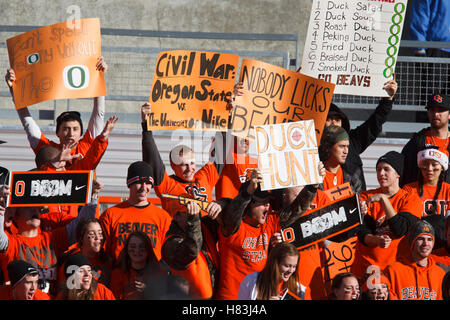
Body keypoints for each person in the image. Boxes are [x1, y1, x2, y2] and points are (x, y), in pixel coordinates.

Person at [214, 168, 319, 300]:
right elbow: (233, 212)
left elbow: (295, 210)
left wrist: (312, 187)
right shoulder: (233, 226)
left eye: (268, 202)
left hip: (259, 296)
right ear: (248, 205)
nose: (267, 206)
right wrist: (248, 192)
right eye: (262, 203)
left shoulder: (270, 221)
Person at [0, 179, 102, 296]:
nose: (35, 210)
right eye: (28, 207)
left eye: (38, 208)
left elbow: (80, 226)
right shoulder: (12, 242)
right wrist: (1, 204)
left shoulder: (53, 237)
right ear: (16, 216)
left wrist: (93, 196)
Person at [4, 57, 109, 169]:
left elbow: (99, 113)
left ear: (81, 133)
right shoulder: (47, 150)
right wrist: (14, 89)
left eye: (75, 129)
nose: (71, 133)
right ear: (57, 132)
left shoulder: (88, 145)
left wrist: (99, 77)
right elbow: (27, 122)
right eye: (65, 129)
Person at [140, 102, 225, 217]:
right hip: (179, 233)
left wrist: (227, 114)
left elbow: (221, 149)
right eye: (184, 165)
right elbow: (152, 159)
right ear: (173, 166)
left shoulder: (204, 177)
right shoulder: (167, 185)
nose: (190, 169)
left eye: (192, 163)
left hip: (206, 232)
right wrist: (146, 127)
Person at [352, 151, 422, 280]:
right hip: (366, 269)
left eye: (386, 169)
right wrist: (376, 240)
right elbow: (362, 232)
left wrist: (384, 200)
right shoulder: (365, 197)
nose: (381, 174)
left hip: (396, 271)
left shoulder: (410, 198)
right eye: (378, 170)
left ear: (398, 174)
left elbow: (400, 229)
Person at [325, 76, 398, 191]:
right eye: (329, 119)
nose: (334, 122)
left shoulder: (353, 141)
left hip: (354, 205)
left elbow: (375, 123)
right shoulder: (311, 146)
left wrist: (388, 99)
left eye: (337, 120)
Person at [99, 161, 172, 262]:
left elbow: (169, 254)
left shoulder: (163, 217)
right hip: (120, 276)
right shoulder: (110, 215)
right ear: (129, 184)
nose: (144, 188)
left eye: (147, 183)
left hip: (152, 276)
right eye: (139, 183)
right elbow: (101, 253)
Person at [162, 200, 222, 299]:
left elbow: (230, 214)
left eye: (196, 209)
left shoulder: (203, 226)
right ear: (176, 216)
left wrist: (220, 205)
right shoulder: (170, 243)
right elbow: (191, 250)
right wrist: (193, 221)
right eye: (189, 211)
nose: (196, 213)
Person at [385, 220, 446, 300]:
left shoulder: (439, 274)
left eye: (429, 239)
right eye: (421, 239)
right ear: (412, 242)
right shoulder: (393, 271)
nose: (425, 243)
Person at [403, 147, 449, 248]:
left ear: (442, 167)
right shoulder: (409, 189)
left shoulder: (448, 190)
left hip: (442, 245)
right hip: (417, 244)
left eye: (434, 164)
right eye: (425, 164)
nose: (429, 169)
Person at [401, 92, 450, 186]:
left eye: (440, 110)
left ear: (449, 115)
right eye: (432, 110)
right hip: (420, 197)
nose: (436, 114)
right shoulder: (417, 142)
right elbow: (404, 173)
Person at [237, 242, 308, 300]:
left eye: (294, 266)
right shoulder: (251, 281)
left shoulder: (298, 290)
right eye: (287, 266)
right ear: (275, 264)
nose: (291, 270)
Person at [110, 231, 167, 300]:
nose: (137, 250)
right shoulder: (117, 274)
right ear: (127, 249)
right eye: (133, 246)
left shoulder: (161, 274)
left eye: (142, 246)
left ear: (148, 249)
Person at [58, 217, 113, 288]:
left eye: (100, 233)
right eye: (92, 234)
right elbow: (62, 291)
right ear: (81, 238)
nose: (98, 238)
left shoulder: (107, 261)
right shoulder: (71, 261)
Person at [318, 125, 362, 193]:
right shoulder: (315, 175)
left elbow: (358, 200)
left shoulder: (353, 175)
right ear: (328, 147)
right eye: (342, 146)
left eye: (347, 146)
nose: (346, 151)